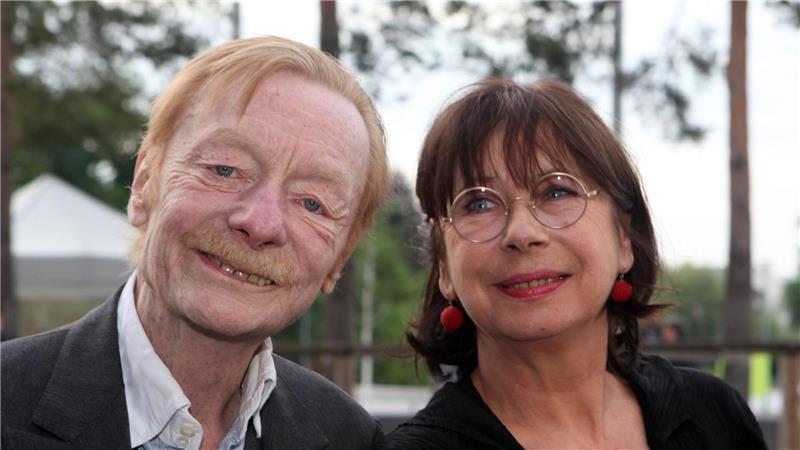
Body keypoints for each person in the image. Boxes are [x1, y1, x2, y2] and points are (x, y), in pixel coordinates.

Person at [1, 36, 390, 450]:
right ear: (144, 184)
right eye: (225, 169)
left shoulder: (350, 437)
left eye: (313, 203)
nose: (260, 224)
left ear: (340, 259)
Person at [385, 79, 766, 449]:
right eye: (479, 204)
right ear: (445, 266)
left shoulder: (715, 417)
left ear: (623, 239)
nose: (521, 232)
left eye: (556, 191)